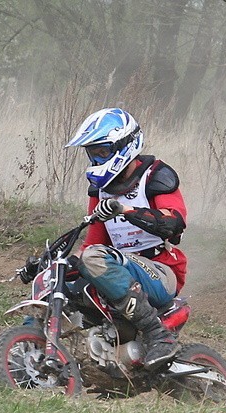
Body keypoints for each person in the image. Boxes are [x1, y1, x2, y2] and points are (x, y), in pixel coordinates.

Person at [65, 107, 188, 371]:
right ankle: (20, 358)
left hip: (161, 272)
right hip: (122, 270)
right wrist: (65, 268)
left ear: (124, 145)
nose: (96, 159)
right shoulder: (100, 191)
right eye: (92, 153)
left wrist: (127, 211)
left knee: (93, 258)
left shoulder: (155, 176)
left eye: (102, 152)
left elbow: (174, 223)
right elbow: (94, 243)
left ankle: (158, 334)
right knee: (63, 277)